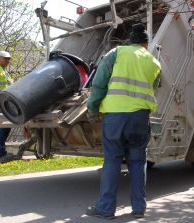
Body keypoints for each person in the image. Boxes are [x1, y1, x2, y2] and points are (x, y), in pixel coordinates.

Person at [85, 23, 161, 220]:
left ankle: (106, 209)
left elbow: (99, 82)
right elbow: (156, 84)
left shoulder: (115, 53)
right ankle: (139, 208)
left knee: (112, 161)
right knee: (138, 161)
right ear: (145, 44)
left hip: (115, 118)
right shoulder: (153, 61)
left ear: (131, 41)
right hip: (140, 118)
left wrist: (92, 106)